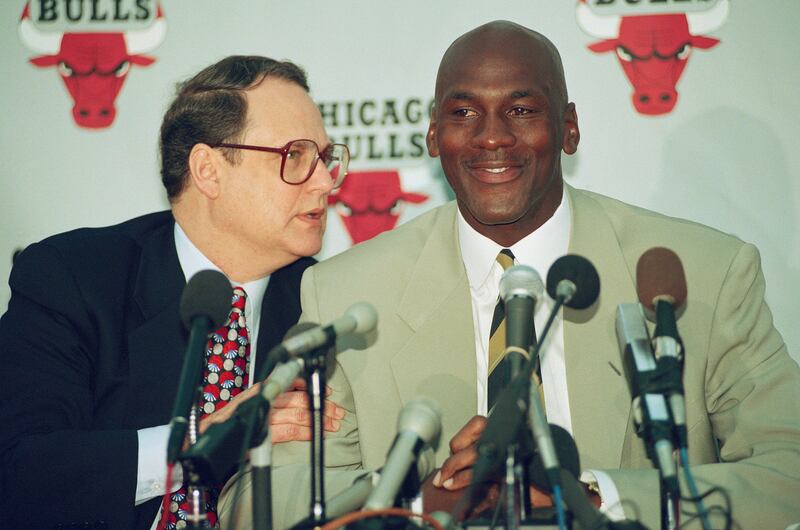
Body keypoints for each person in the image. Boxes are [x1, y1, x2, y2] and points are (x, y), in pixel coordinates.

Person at [220, 22, 800, 530]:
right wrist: (413, 502)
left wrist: (596, 494)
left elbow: (789, 462)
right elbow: (254, 500)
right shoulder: (348, 292)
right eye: (463, 112)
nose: (491, 136)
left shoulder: (701, 272)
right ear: (431, 136)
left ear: (570, 129)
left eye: (521, 110)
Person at [0, 56, 350, 529]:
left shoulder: (333, 305)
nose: (326, 182)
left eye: (326, 159)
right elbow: (19, 468)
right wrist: (195, 444)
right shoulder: (74, 278)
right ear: (208, 170)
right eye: (296, 156)